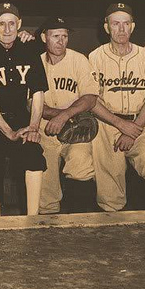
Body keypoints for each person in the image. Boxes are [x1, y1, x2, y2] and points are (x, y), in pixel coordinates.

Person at [0, 2, 48, 217]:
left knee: (33, 156)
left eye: (11, 24)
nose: (7, 29)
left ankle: (32, 218)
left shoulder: (30, 50)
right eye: (2, 24)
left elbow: (38, 92)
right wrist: (8, 132)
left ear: (19, 24)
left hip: (21, 118)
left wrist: (33, 127)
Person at [89, 3, 145, 211]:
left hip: (140, 123)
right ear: (107, 27)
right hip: (107, 123)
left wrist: (133, 130)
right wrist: (121, 125)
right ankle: (112, 234)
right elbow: (91, 100)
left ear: (132, 26)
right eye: (116, 24)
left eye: (126, 24)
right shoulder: (95, 57)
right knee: (110, 195)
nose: (121, 29)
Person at [37, 17, 99, 214]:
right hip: (45, 130)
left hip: (76, 127)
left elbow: (90, 98)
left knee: (81, 167)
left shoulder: (79, 60)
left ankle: (81, 223)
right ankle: (48, 230)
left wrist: (64, 116)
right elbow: (31, 103)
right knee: (46, 193)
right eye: (55, 36)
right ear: (43, 37)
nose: (61, 41)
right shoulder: (35, 62)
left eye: (64, 36)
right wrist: (56, 116)